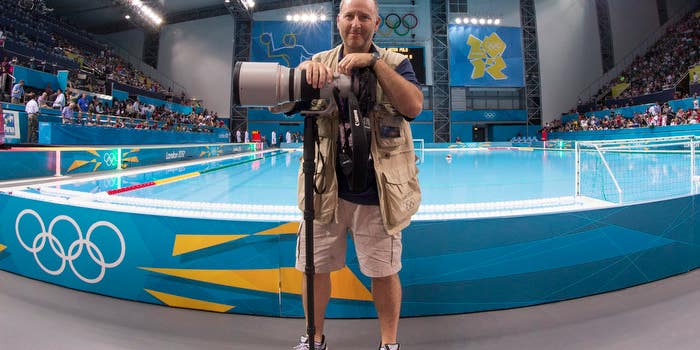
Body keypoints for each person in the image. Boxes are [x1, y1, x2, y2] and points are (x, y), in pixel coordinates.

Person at [291, 0, 422, 349]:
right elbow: (290, 101)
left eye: (364, 16)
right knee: (313, 269)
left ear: (376, 23)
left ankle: (389, 343)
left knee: (383, 273)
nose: (356, 23)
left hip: (379, 195)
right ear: (339, 21)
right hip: (324, 191)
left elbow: (413, 106)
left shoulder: (396, 62)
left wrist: (375, 63)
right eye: (349, 15)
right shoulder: (319, 63)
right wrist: (304, 71)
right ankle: (314, 338)